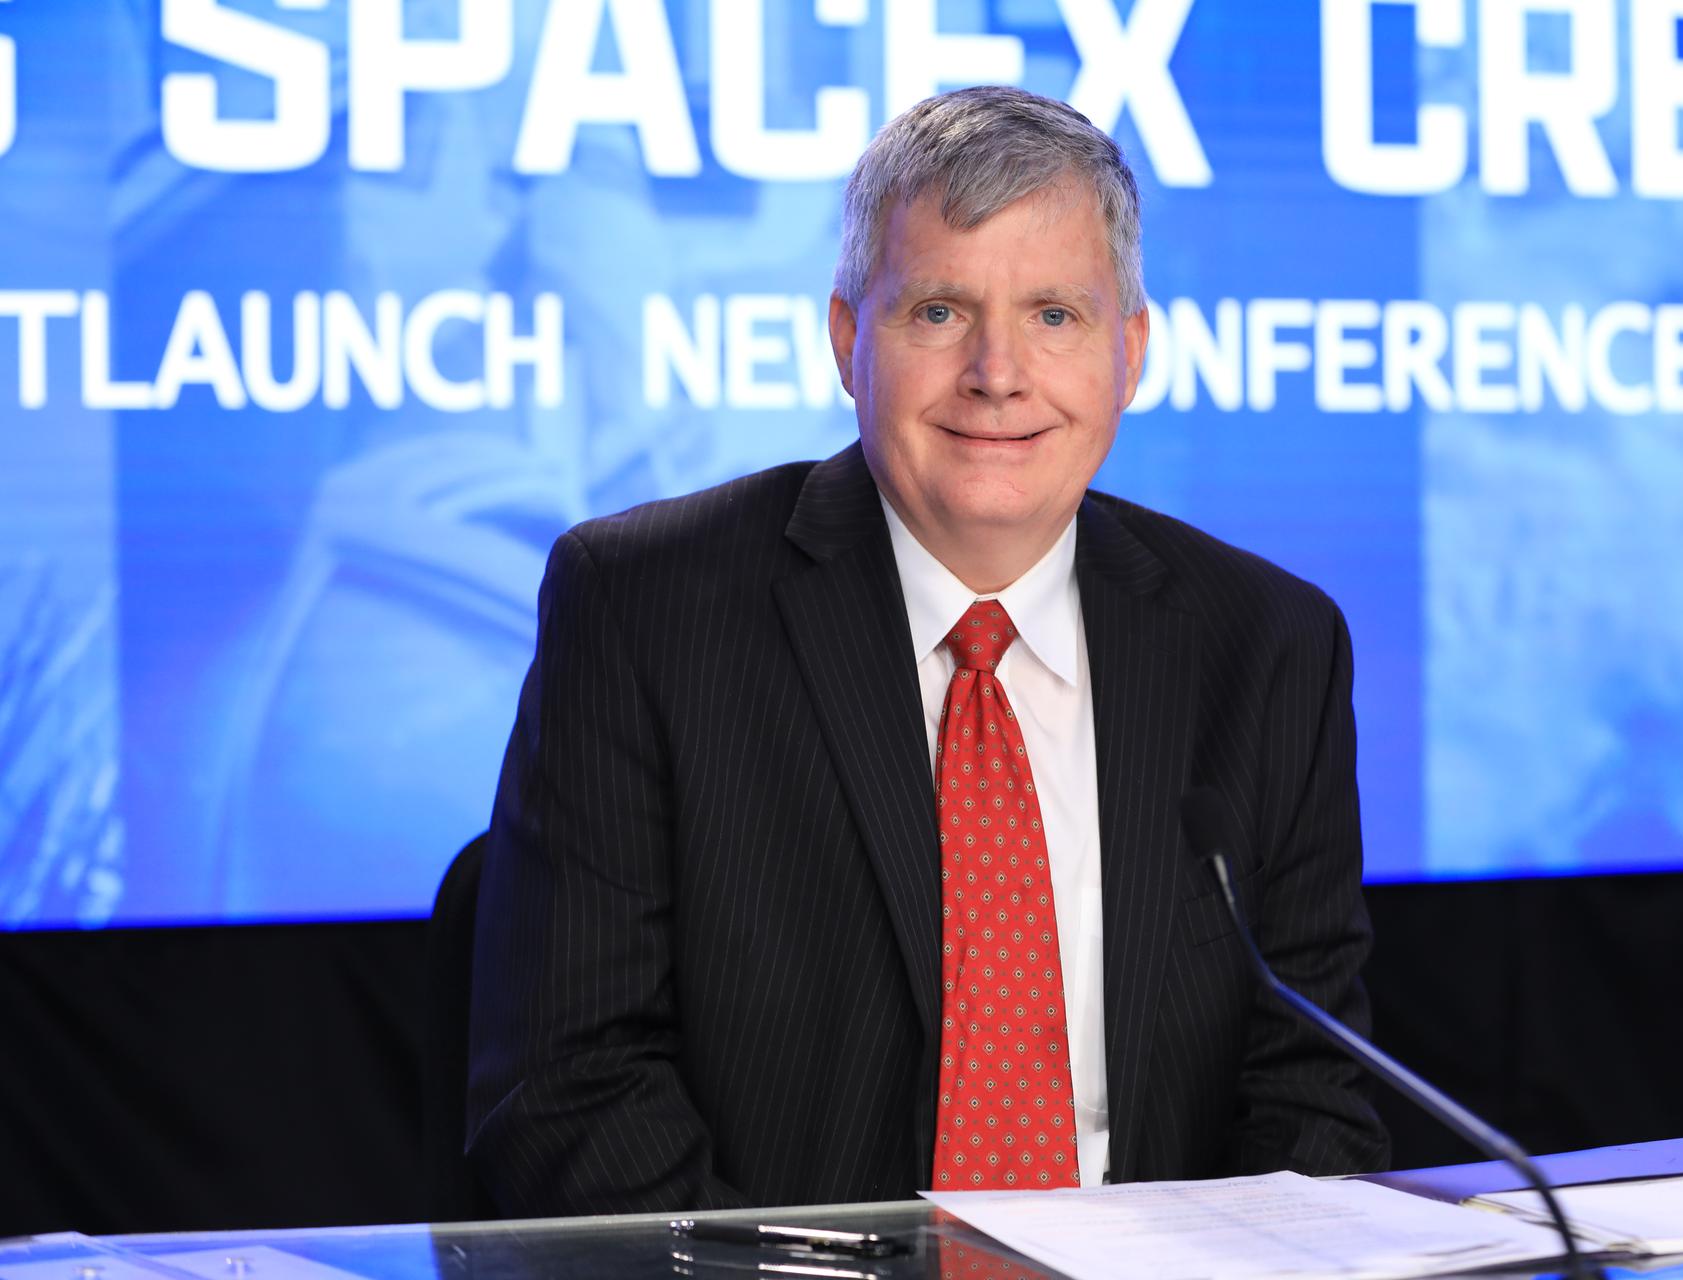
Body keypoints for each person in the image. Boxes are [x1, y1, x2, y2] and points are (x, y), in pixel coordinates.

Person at [468, 85, 1388, 1217]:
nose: (998, 373)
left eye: (1056, 315)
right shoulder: (644, 610)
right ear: (848, 337)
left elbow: (1315, 1097)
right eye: (941, 312)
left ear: (1130, 354)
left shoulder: (1270, 648)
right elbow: (571, 1096)